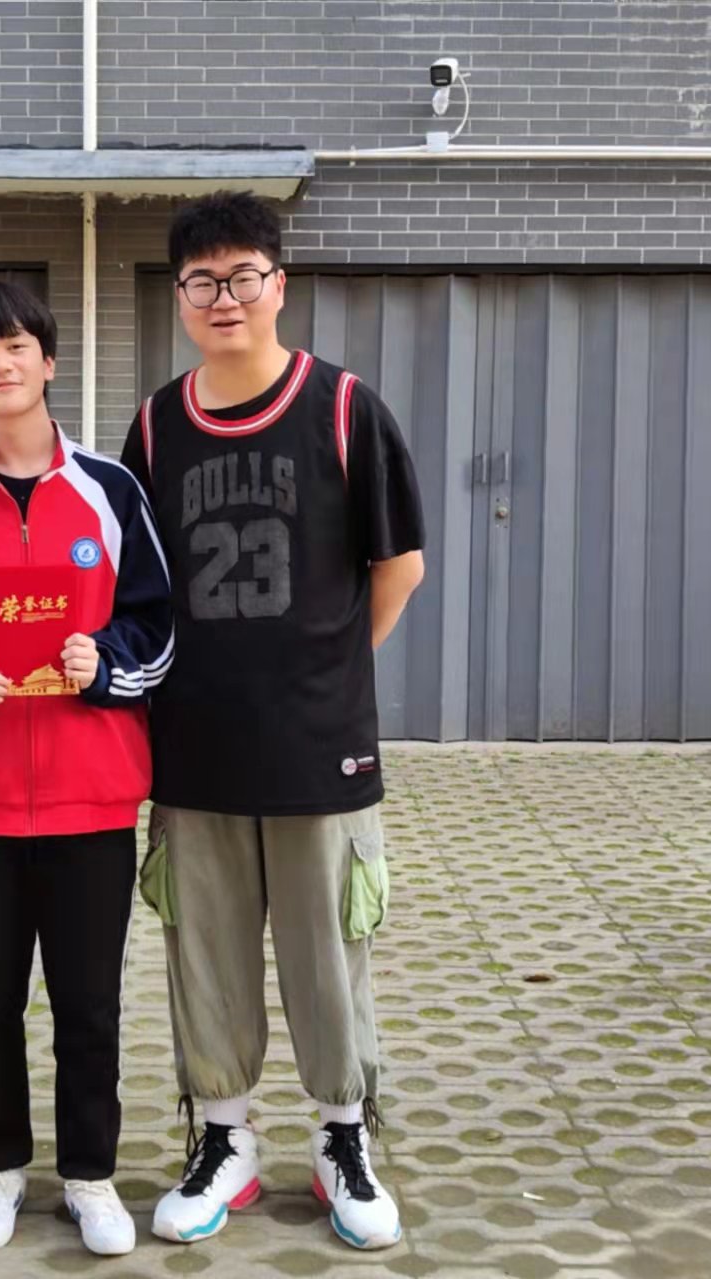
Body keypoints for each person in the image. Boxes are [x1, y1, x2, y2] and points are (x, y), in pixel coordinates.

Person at [120, 191, 427, 1252]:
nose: (224, 298)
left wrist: (325, 671)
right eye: (201, 281)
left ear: (278, 284)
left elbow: (399, 566)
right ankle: (224, 1137)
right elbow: (137, 587)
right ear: (180, 297)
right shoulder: (155, 426)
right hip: (193, 748)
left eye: (242, 276)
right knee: (204, 950)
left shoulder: (344, 408)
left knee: (329, 952)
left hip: (316, 748)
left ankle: (344, 1136)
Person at [0, 280, 175, 1256]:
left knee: (90, 1004)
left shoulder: (112, 490)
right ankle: (1, 1168)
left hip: (91, 795)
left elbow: (157, 624)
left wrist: (108, 662)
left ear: (48, 361)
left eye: (13, 344)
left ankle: (91, 1175)